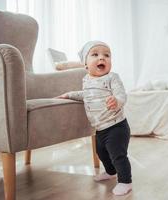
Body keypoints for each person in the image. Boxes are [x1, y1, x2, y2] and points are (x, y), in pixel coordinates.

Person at [57, 41, 132, 196]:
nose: (102, 58)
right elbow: (85, 95)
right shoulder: (86, 80)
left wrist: (116, 101)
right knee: (101, 152)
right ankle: (111, 172)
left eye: (107, 55)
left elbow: (121, 94)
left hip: (117, 126)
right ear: (85, 64)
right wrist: (69, 94)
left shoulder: (112, 77)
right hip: (100, 128)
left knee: (117, 154)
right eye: (95, 55)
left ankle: (125, 181)